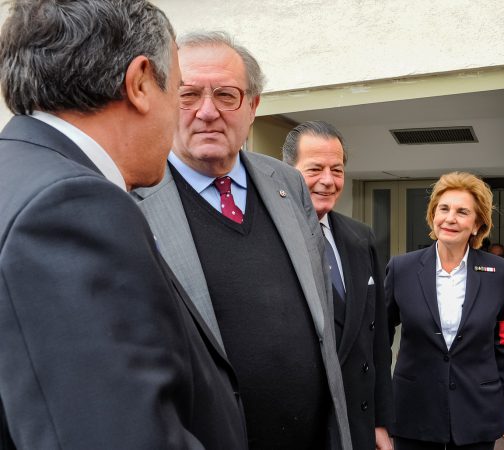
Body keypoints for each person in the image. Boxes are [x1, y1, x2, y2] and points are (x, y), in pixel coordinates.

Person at [0, 1, 247, 449]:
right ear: (139, 84)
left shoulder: (17, 172)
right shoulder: (70, 205)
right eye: (180, 93)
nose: (183, 114)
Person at [132, 31, 351, 449]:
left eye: (227, 96)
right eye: (188, 94)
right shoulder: (132, 195)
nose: (207, 112)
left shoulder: (287, 183)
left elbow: (320, 307)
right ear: (164, 101)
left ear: (252, 106)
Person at [386, 171, 504, 450]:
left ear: (476, 224)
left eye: (462, 212)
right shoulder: (402, 269)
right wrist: (375, 401)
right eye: (443, 209)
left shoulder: (500, 273)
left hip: (477, 411)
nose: (450, 218)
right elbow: (378, 338)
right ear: (433, 216)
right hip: (414, 409)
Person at [284, 121, 395, 450]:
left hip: (357, 420)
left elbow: (377, 342)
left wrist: (380, 421)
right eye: (314, 169)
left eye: (337, 169)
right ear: (287, 171)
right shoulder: (267, 235)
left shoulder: (361, 237)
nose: (328, 181)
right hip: (299, 424)